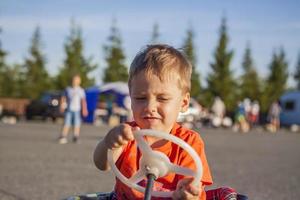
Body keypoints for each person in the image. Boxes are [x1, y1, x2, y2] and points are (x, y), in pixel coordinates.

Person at [93, 44, 214, 200]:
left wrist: (189, 195)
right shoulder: (127, 135)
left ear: (184, 103)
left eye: (162, 99)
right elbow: (102, 164)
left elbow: (194, 186)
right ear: (131, 99)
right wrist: (109, 143)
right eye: (140, 98)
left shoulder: (189, 143)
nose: (150, 107)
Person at [58, 74, 88, 144]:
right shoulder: (68, 89)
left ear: (79, 81)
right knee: (66, 123)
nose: (75, 81)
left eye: (76, 80)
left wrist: (84, 109)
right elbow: (63, 98)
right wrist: (62, 106)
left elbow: (83, 101)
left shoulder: (81, 90)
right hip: (69, 109)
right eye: (74, 80)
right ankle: (63, 136)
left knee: (77, 124)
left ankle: (75, 136)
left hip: (77, 110)